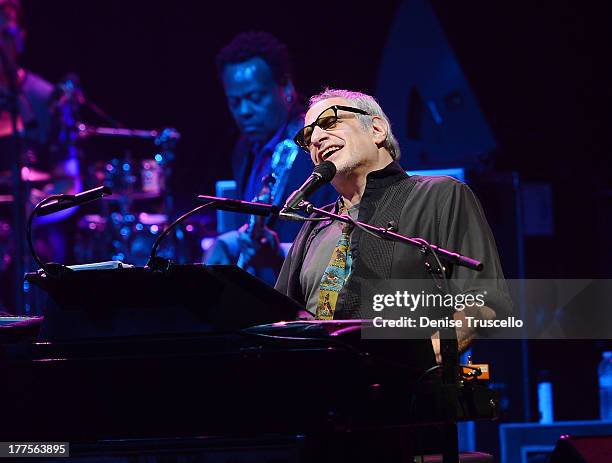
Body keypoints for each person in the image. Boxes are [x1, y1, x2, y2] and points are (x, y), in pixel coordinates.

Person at [275, 88, 513, 354]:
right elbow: (280, 321)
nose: (316, 138)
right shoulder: (314, 226)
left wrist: (419, 361)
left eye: (330, 122)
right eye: (307, 136)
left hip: (409, 389)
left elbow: (484, 300)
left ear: (376, 129)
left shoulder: (439, 195)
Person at [205, 31, 334, 285]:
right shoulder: (243, 150)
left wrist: (277, 254)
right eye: (234, 102)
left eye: (254, 98)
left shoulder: (318, 146)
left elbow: (336, 239)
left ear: (285, 87)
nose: (244, 112)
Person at [0, 0, 80, 312]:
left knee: (45, 255)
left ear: (20, 36)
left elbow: (70, 184)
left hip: (34, 231)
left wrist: (36, 210)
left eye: (4, 34)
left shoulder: (45, 98)